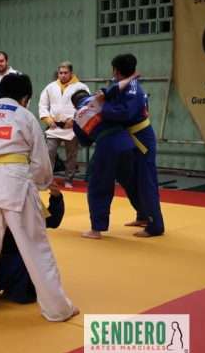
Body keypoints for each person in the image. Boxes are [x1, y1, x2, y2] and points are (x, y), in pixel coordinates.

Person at [0, 73, 78, 321]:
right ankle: (58, 309)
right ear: (25, 98)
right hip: (16, 185)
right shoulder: (24, 116)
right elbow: (41, 160)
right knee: (36, 249)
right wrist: (41, 183)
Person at [70, 72, 140, 240]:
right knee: (131, 182)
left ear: (74, 105)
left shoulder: (77, 116)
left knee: (98, 187)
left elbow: (85, 142)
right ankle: (144, 215)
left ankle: (96, 229)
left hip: (107, 146)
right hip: (126, 142)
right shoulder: (102, 98)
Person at [100, 54, 164, 238]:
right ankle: (143, 214)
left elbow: (124, 113)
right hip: (129, 139)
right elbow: (110, 92)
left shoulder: (134, 90)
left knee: (146, 181)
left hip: (142, 139)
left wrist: (103, 108)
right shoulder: (124, 84)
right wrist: (102, 96)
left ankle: (155, 225)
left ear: (117, 71)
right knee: (128, 177)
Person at [38, 61, 90, 188]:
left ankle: (68, 180)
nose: (63, 75)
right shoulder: (50, 87)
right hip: (54, 126)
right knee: (49, 152)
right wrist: (47, 119)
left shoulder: (81, 87)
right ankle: (48, 179)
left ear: (71, 73)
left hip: (71, 127)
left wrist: (75, 120)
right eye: (60, 73)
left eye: (65, 73)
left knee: (71, 155)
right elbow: (42, 104)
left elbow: (86, 106)